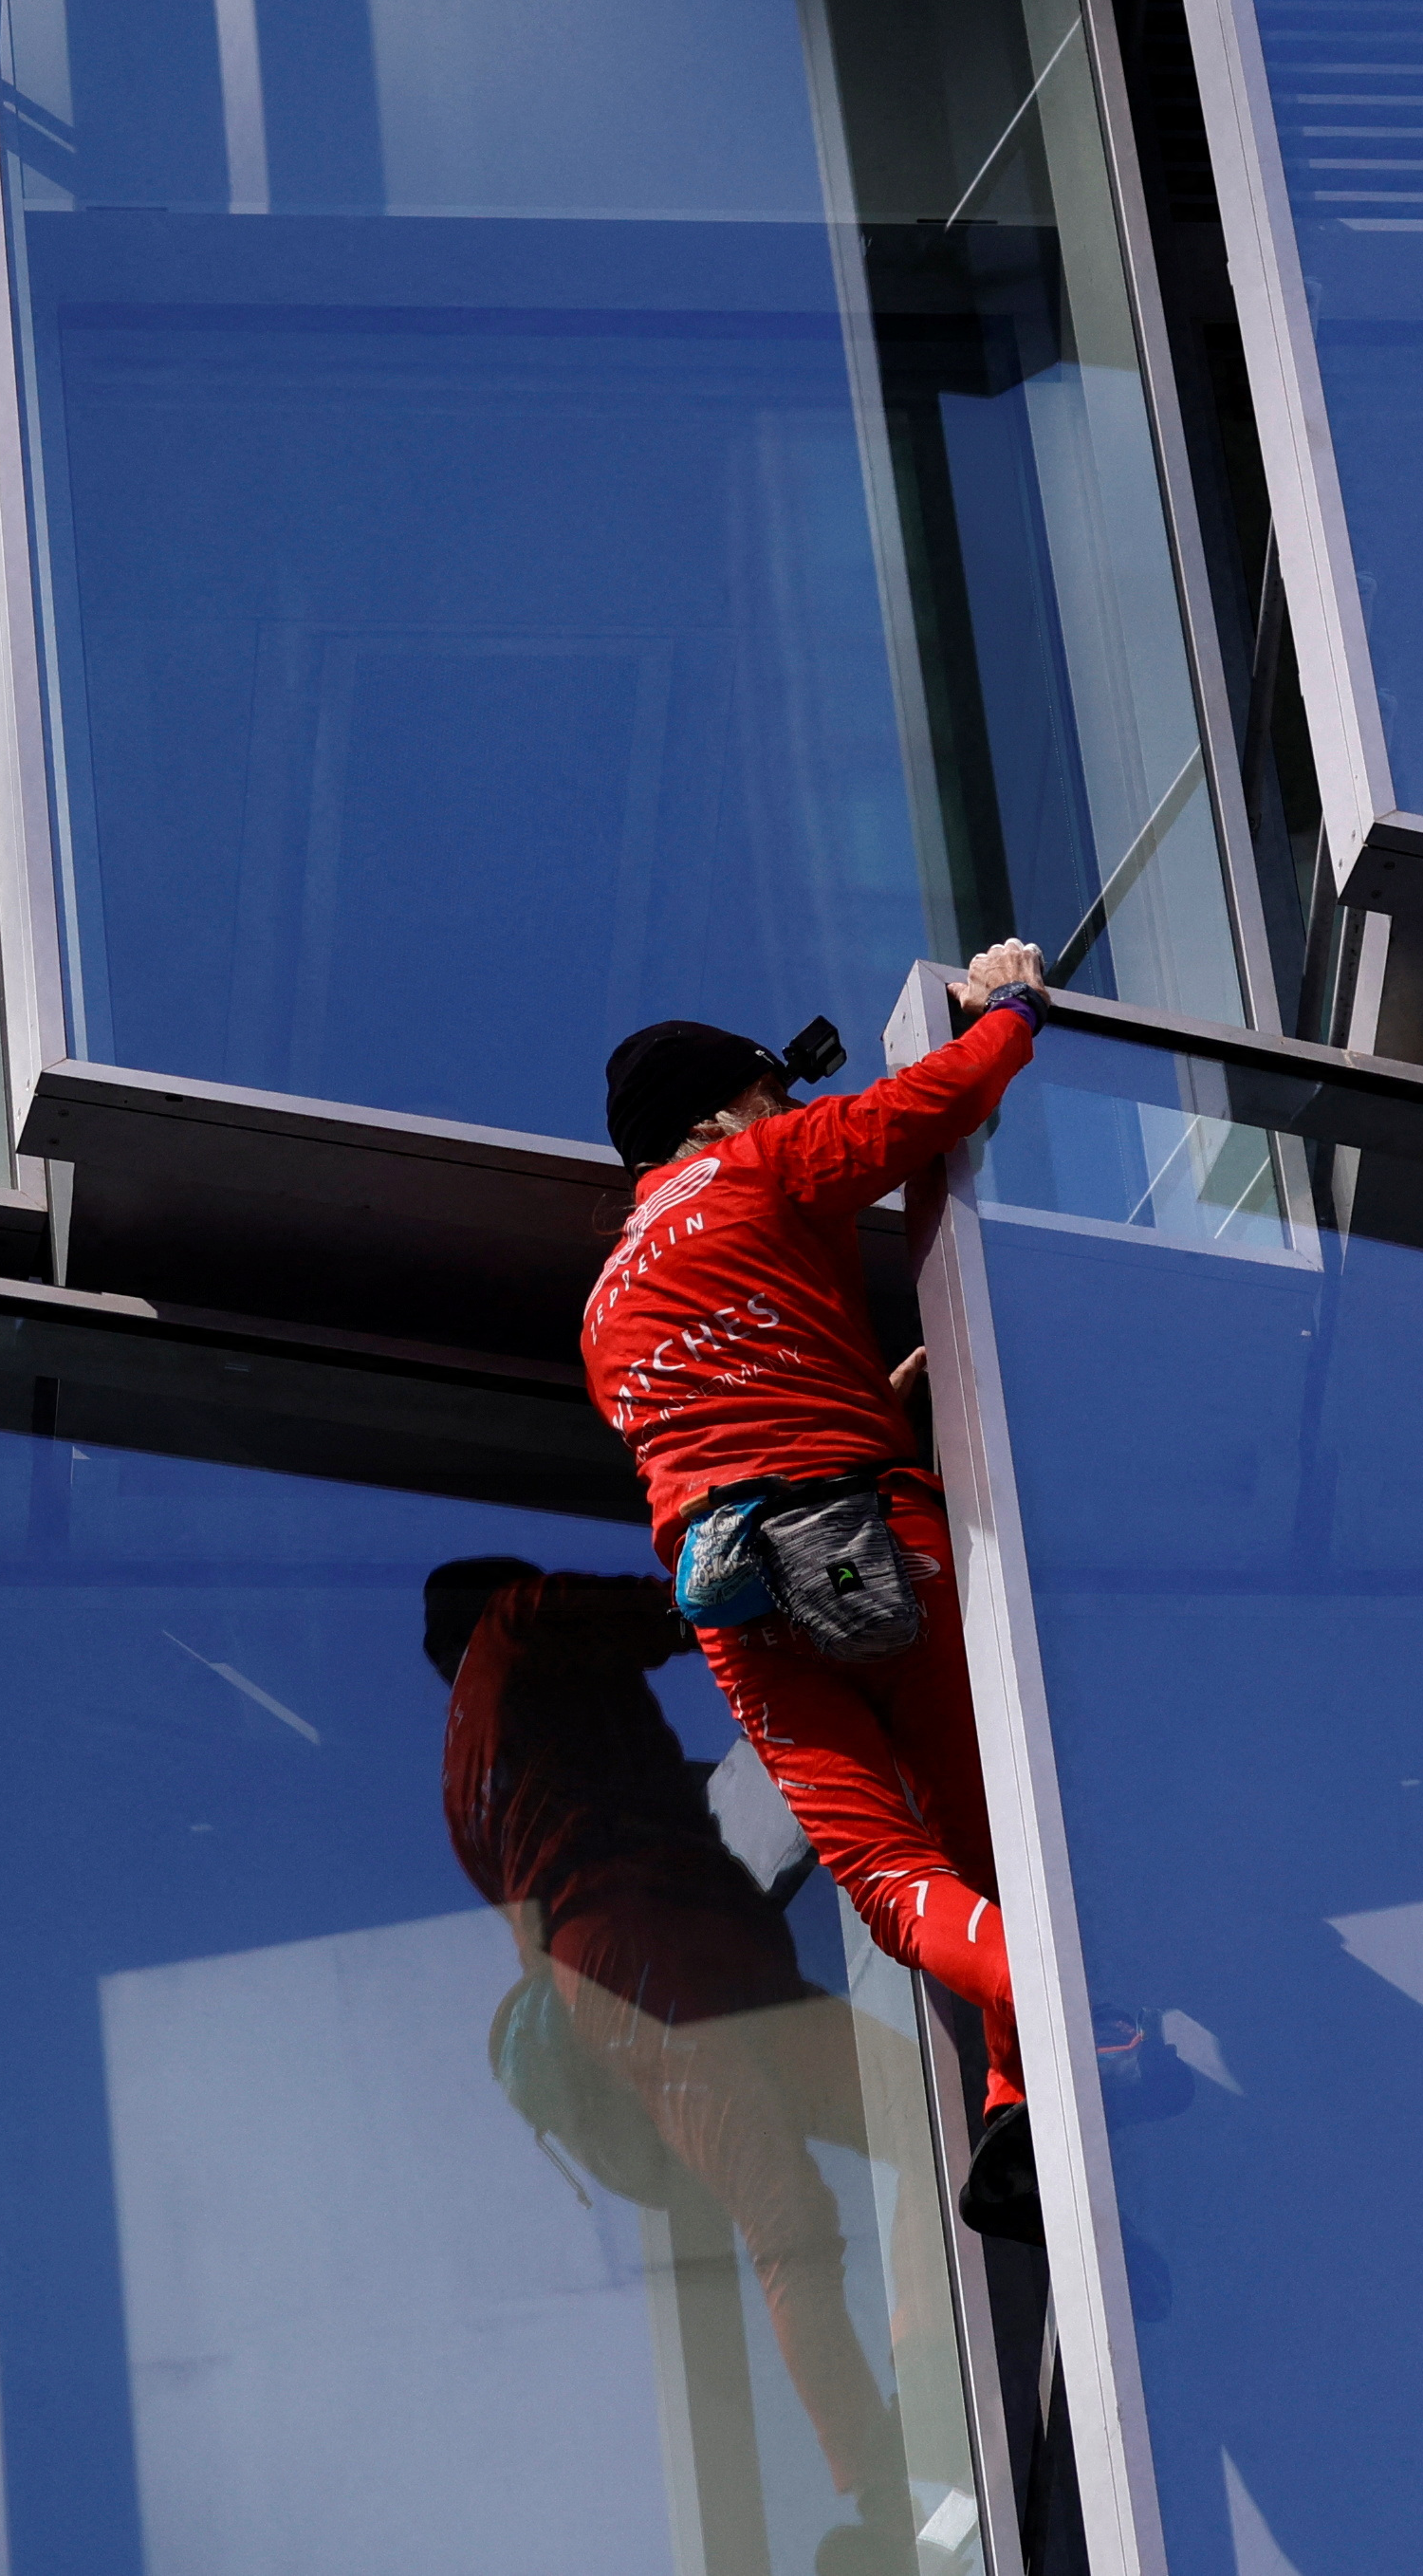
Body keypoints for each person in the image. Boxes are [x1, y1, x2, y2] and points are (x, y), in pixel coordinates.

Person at [584, 942, 1060, 2233]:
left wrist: (864, 1397)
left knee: (889, 1871)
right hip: (865, 1537)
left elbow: (728, 1417)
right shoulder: (754, 1164)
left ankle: (1018, 2103)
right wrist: (1007, 1008)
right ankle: (1063, 2034)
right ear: (716, 1111)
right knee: (988, 1826)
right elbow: (932, 1107)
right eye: (768, 1091)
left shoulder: (604, 1306)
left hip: (737, 1607)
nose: (785, 1111)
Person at [428, 1558, 915, 2547]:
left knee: (905, 2128)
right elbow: (691, 1598)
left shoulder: (466, 1786)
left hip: (645, 1964)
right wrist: (831, 1572)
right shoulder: (518, 1628)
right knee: (834, 2183)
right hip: (659, 1951)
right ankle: (879, 2484)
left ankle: (906, 2436)